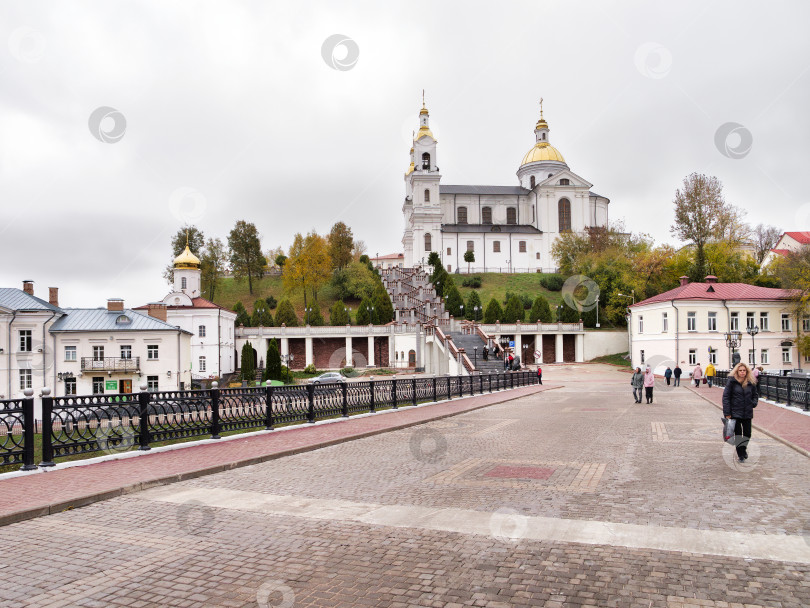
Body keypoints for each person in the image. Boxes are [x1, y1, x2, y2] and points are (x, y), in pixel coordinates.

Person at [722, 362, 758, 463]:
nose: (742, 372)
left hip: (747, 412)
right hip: (735, 412)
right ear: (737, 371)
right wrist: (727, 413)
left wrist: (753, 403)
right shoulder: (732, 382)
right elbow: (726, 397)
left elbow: (755, 395)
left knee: (747, 434)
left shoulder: (751, 382)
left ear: (747, 372)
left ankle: (743, 449)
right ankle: (741, 455)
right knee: (738, 434)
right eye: (740, 370)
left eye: (744, 370)